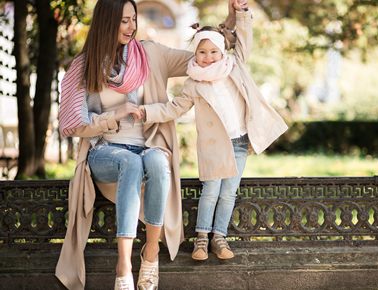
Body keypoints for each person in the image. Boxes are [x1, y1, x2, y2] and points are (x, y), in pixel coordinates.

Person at [55, 0, 238, 289]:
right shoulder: (85, 64)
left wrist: (231, 20)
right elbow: (73, 123)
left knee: (156, 161)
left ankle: (150, 254)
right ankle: (124, 266)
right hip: (105, 151)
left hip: (147, 146)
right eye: (124, 21)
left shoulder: (150, 54)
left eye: (133, 19)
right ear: (107, 22)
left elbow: (205, 52)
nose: (132, 27)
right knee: (129, 161)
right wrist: (110, 116)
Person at [138, 2, 288, 261]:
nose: (208, 57)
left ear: (222, 51)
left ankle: (220, 237)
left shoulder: (235, 65)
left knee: (229, 192)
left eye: (213, 51)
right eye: (202, 52)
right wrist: (146, 113)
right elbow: (174, 108)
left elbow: (244, 39)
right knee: (211, 192)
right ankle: (201, 239)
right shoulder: (193, 83)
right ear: (194, 54)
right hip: (213, 145)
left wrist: (241, 14)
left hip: (239, 141)